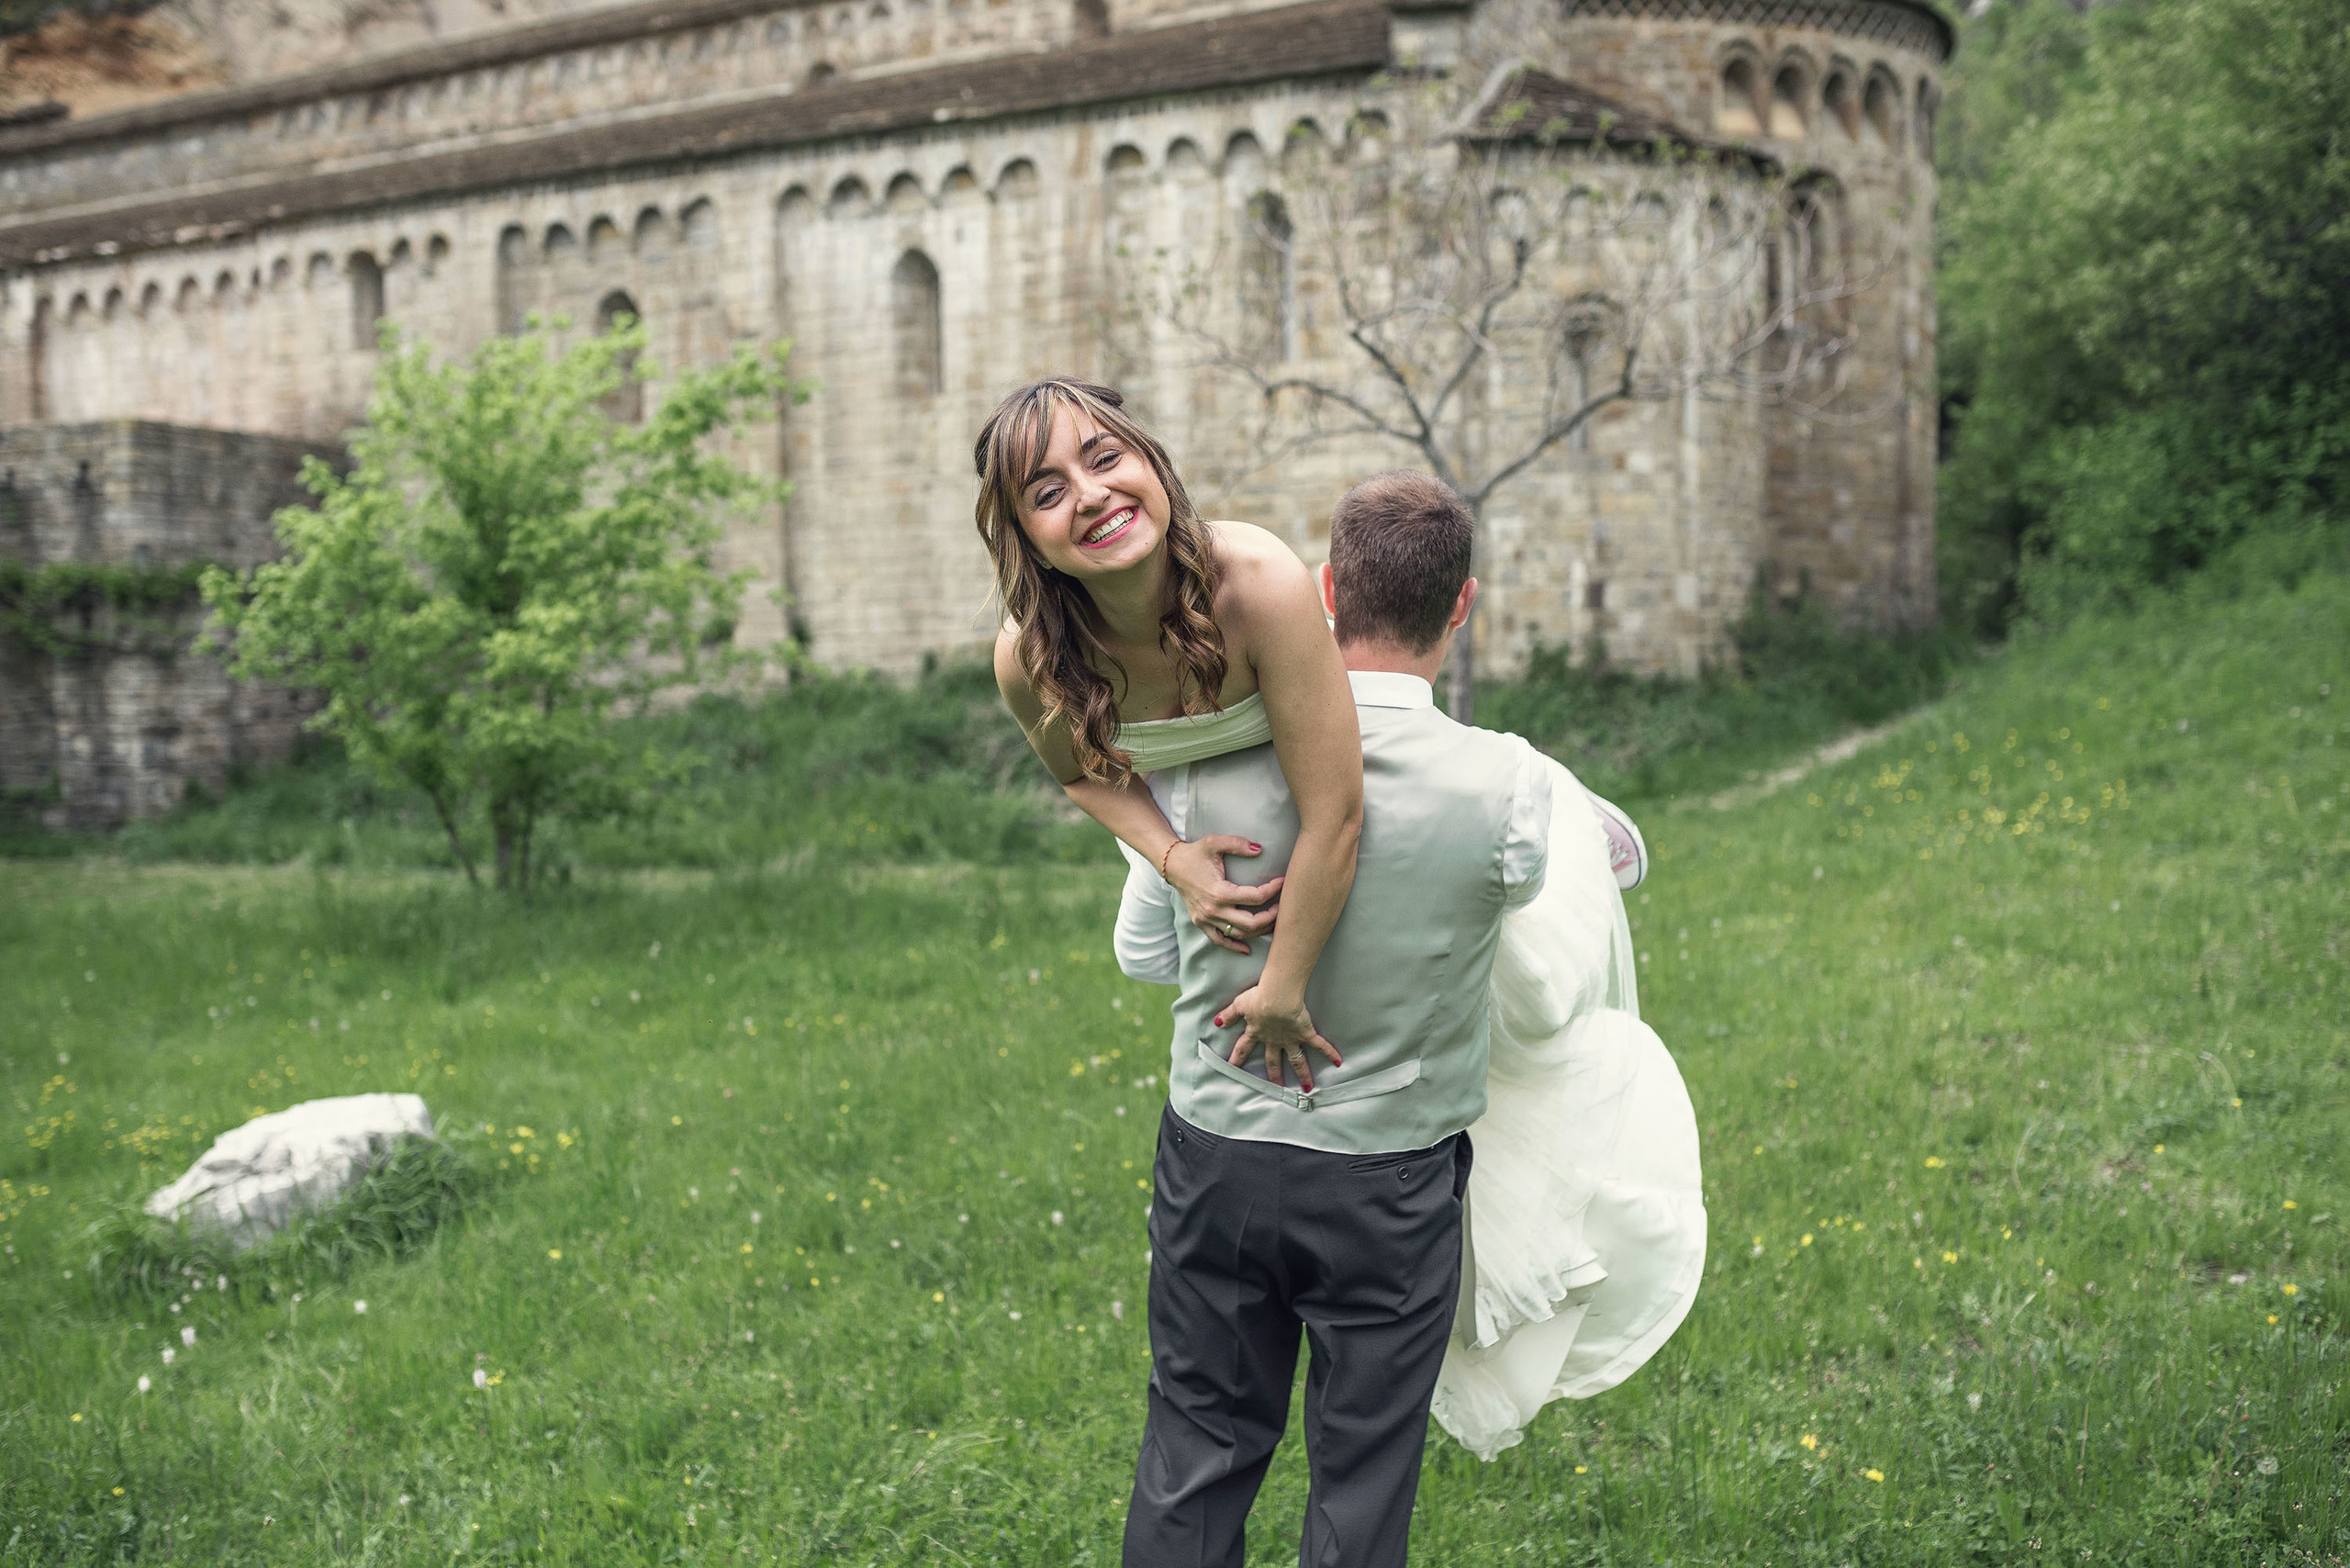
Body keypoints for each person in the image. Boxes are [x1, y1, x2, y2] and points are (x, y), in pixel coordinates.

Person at [1113, 472, 1707, 1568]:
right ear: (1462, 606)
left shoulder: (1206, 754)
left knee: (1195, 1446)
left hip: (1217, 1156)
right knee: (1362, 1477)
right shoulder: (1517, 788)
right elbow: (1538, 995)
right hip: (1389, 1182)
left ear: (1328, 591)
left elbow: (1145, 954)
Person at [978, 377, 1362, 1081]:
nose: (1091, 495)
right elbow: (1075, 773)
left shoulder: (1260, 582)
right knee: (1142, 955)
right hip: (1181, 806)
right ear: (1028, 542)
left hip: (1345, 757)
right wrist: (1172, 857)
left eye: (1103, 459)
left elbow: (1336, 813)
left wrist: (1281, 990)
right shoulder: (1028, 658)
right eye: (1047, 493)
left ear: (1151, 463)